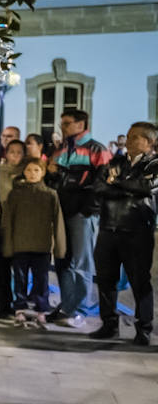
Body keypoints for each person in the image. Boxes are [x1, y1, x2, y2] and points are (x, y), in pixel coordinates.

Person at [89, 122, 158, 344]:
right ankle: (108, 323)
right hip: (108, 228)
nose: (129, 140)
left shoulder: (153, 165)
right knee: (106, 279)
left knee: (140, 281)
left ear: (149, 142)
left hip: (136, 230)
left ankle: (144, 328)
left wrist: (116, 183)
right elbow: (99, 187)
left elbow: (147, 188)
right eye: (128, 136)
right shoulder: (116, 162)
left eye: (135, 137)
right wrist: (125, 186)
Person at [47, 109, 113, 327]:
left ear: (80, 124)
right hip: (61, 212)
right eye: (62, 123)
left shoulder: (97, 149)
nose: (62, 127)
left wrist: (88, 209)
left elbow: (103, 183)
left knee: (82, 262)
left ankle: (80, 310)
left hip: (82, 213)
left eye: (66, 123)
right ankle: (67, 305)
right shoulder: (60, 149)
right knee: (62, 260)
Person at [1, 159, 65, 321]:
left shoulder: (50, 194)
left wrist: (59, 247)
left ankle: (41, 310)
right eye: (29, 170)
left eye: (36, 170)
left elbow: (58, 222)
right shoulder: (15, 194)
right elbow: (7, 221)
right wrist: (8, 245)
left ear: (43, 172)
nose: (32, 174)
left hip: (42, 245)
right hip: (20, 244)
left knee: (41, 281)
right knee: (20, 279)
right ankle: (20, 309)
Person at [0, 139, 27, 317]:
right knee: (0, 266)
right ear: (6, 153)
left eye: (19, 152)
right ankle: (4, 305)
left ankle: (21, 305)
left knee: (20, 267)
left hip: (22, 225)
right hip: (2, 222)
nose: (15, 156)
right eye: (12, 152)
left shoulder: (30, 172)